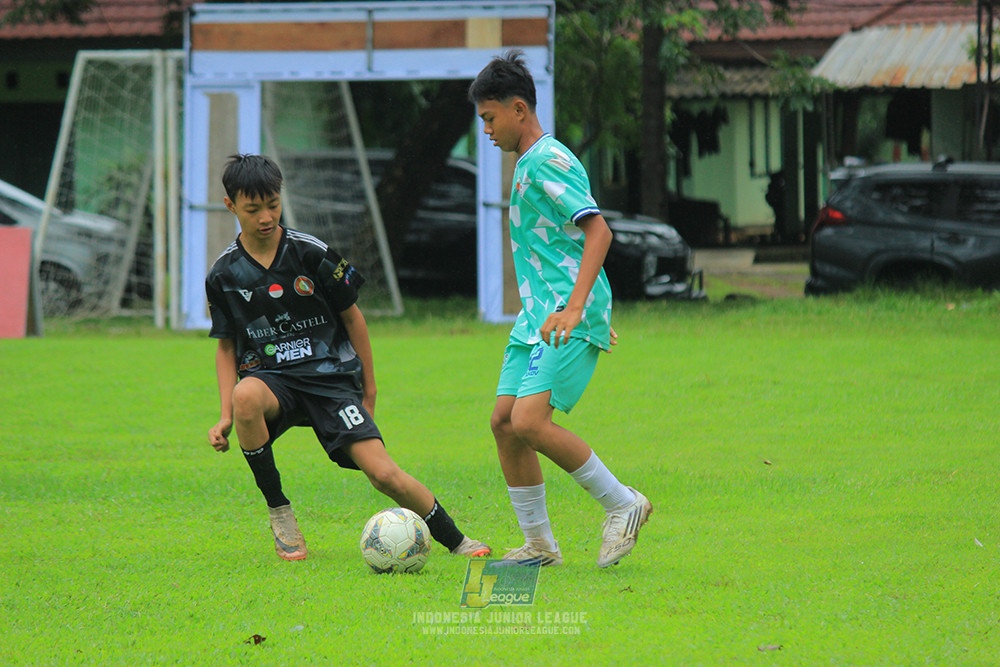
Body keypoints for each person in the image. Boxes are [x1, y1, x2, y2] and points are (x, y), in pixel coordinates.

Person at [206, 153, 490, 562]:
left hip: (330, 380)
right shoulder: (223, 273)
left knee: (383, 473)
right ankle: (280, 513)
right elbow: (226, 346)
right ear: (231, 206)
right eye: (253, 209)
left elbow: (354, 320)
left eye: (273, 204)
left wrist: (368, 390)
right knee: (246, 395)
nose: (266, 216)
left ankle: (457, 540)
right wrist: (225, 415)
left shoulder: (311, 253)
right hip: (272, 382)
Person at [468, 51, 652, 568]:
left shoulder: (549, 159)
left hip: (561, 314)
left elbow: (599, 230)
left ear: (519, 108)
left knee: (529, 420)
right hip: (537, 317)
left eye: (490, 118)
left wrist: (580, 309)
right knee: (504, 422)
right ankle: (540, 545)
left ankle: (624, 504)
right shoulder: (528, 163)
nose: (487, 130)